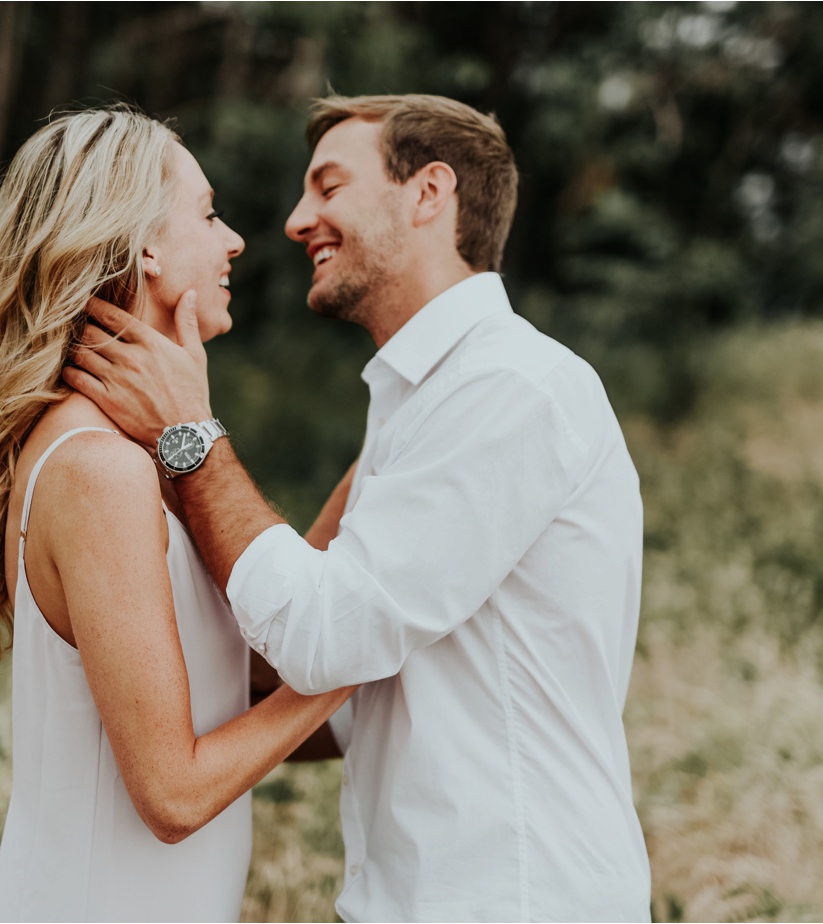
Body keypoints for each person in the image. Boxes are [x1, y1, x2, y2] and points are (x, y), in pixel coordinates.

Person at [65, 94, 653, 922]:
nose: (298, 220)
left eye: (329, 188)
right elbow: (336, 677)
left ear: (429, 194)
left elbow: (327, 640)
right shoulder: (417, 401)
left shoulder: (510, 390)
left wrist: (187, 439)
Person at [0, 108, 356, 923]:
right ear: (144, 245)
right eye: (206, 211)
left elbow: (239, 679)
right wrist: (357, 653)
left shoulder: (143, 455)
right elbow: (173, 793)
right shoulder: (99, 469)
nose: (233, 240)